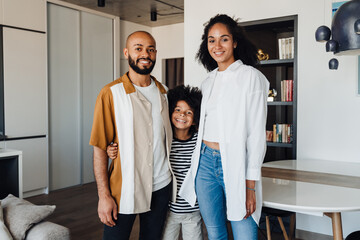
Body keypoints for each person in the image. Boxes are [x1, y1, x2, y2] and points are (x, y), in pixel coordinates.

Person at [179, 14, 270, 240]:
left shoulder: (252, 78)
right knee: (215, 233)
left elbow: (257, 136)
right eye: (211, 40)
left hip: (237, 163)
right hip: (205, 163)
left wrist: (250, 187)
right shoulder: (208, 81)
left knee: (245, 233)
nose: (217, 46)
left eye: (224, 39)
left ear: (235, 42)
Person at [89, 31, 176, 240]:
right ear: (127, 53)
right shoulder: (111, 93)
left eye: (150, 49)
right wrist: (104, 196)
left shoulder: (164, 92)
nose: (145, 54)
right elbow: (100, 147)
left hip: (161, 186)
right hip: (124, 187)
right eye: (138, 48)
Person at [107, 85, 203, 240]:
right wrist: (112, 150)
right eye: (177, 110)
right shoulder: (164, 138)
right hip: (169, 211)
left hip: (193, 211)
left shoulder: (199, 142)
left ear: (194, 119)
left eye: (188, 112)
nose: (182, 115)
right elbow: (141, 146)